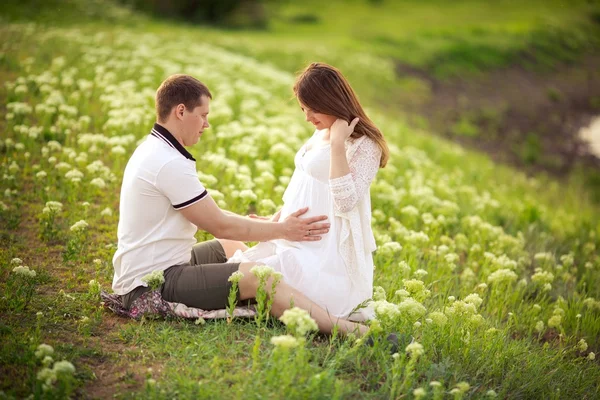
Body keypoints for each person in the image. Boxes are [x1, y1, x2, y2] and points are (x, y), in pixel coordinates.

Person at [111, 74, 368, 336]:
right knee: (262, 277)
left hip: (168, 263)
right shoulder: (167, 163)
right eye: (202, 115)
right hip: (153, 284)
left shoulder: (157, 149)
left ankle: (282, 298)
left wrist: (269, 224)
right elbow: (219, 225)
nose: (206, 124)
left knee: (233, 248)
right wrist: (283, 229)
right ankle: (349, 330)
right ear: (180, 112)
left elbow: (213, 214)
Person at [228, 62, 390, 320]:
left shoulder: (365, 145)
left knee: (246, 280)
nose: (307, 117)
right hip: (293, 239)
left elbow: (345, 200)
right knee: (237, 273)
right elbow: (307, 186)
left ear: (331, 101)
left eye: (313, 109)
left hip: (324, 254)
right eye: (303, 109)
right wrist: (277, 218)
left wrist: (338, 144)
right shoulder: (321, 132)